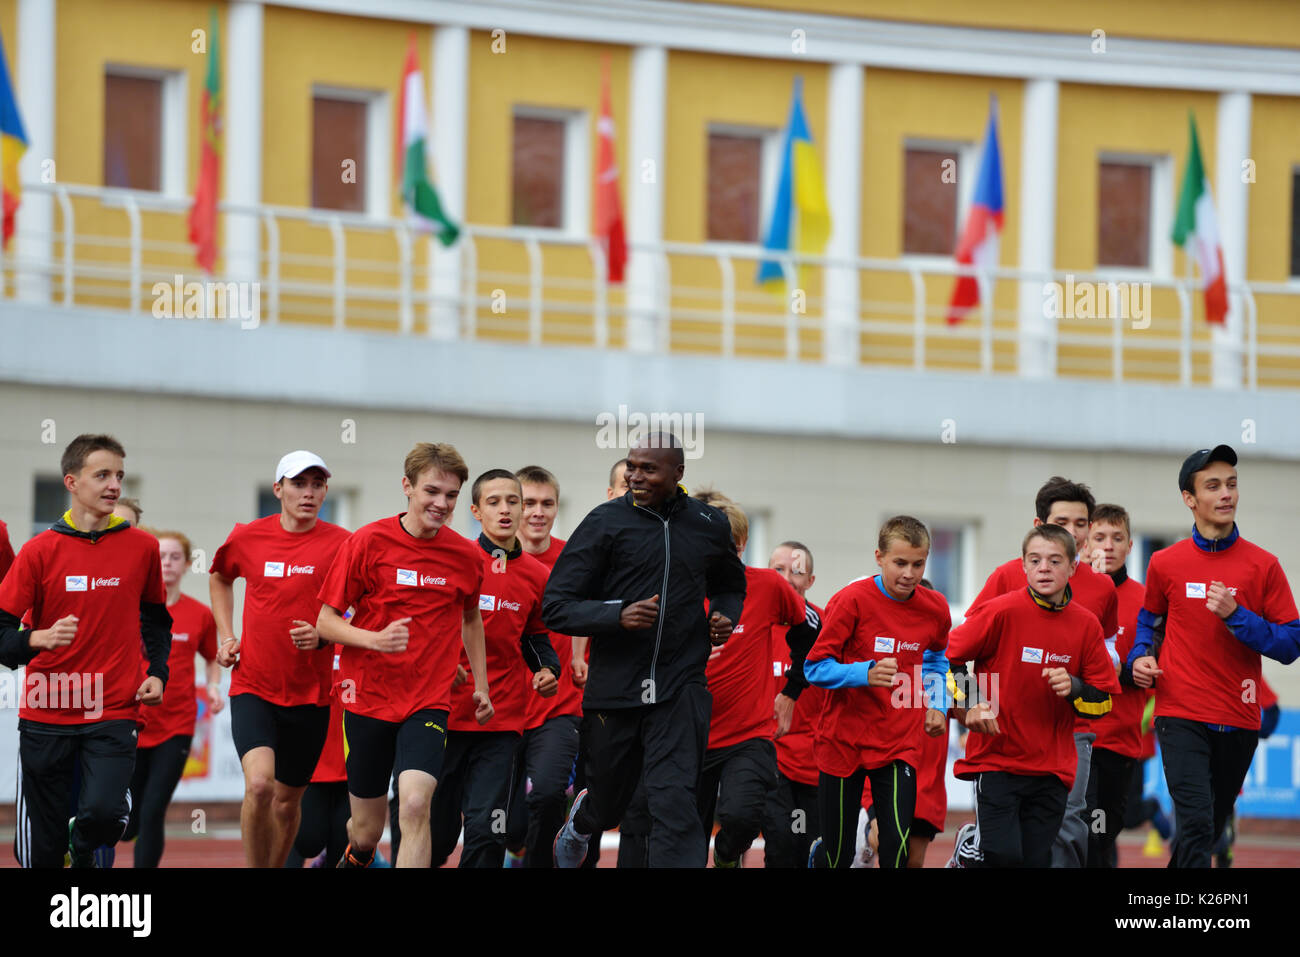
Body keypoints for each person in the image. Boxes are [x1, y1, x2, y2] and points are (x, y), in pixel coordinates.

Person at [547, 433, 746, 868]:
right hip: (617, 686)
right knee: (611, 803)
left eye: (647, 469)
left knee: (674, 801)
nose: (634, 476)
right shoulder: (604, 523)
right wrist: (615, 615)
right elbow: (556, 607)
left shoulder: (709, 524)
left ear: (678, 474)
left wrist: (725, 616)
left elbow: (731, 584)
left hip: (681, 685)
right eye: (631, 467)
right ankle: (584, 818)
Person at [316, 442, 493, 868]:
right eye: (432, 491)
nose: (442, 503)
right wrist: (373, 640)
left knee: (415, 805)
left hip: (427, 700)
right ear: (407, 487)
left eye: (451, 495)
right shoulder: (367, 542)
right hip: (369, 699)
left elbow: (471, 620)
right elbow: (325, 621)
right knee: (367, 831)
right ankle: (356, 856)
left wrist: (481, 685)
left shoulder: (467, 556)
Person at [0, 434, 172, 868]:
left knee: (102, 813)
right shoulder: (40, 551)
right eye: (102, 475)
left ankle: (82, 847)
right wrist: (34, 639)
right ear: (72, 482)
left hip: (113, 709)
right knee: (41, 850)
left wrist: (159, 671)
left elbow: (155, 620)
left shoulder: (142, 548)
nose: (114, 485)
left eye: (119, 475)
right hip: (46, 711)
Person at [1126, 445, 1300, 868]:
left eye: (1232, 484)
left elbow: (1290, 645)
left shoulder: (1264, 566)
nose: (1226, 494)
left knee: (1204, 833)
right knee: (1198, 825)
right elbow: (1147, 623)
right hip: (1179, 712)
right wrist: (1138, 657)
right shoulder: (1165, 563)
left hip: (1239, 717)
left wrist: (1238, 616)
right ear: (1190, 498)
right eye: (1214, 486)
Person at [964, 476, 1118, 868]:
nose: (1072, 531)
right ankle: (975, 845)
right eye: (1062, 522)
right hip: (999, 752)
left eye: (1081, 523)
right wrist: (970, 705)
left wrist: (1075, 687)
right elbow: (953, 650)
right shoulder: (1003, 591)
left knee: (1060, 837)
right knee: (1003, 855)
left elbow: (1104, 692)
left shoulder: (1095, 600)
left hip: (1061, 751)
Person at [210, 450, 351, 868]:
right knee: (258, 786)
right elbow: (219, 577)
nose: (308, 493)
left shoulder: (342, 544)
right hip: (253, 685)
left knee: (288, 804)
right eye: (298, 484)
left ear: (325, 490)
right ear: (278, 489)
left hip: (310, 695)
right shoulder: (248, 537)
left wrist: (324, 637)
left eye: (316, 485)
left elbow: (355, 607)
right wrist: (227, 635)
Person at [411, 469, 558, 868]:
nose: (506, 510)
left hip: (500, 720)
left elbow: (535, 635)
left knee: (487, 830)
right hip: (441, 714)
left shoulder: (536, 574)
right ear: (476, 510)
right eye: (493, 502)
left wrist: (548, 669)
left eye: (514, 501)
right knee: (435, 836)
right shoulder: (454, 560)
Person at [804, 517, 950, 869]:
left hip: (899, 741)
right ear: (880, 557)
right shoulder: (851, 601)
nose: (909, 573)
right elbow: (814, 667)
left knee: (896, 848)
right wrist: (863, 673)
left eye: (918, 564)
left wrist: (938, 703)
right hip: (844, 740)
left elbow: (936, 660)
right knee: (840, 856)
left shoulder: (935, 608)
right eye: (900, 563)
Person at [691, 490, 814, 868]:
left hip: (748, 736)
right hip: (687, 735)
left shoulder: (766, 586)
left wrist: (791, 691)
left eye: (723, 543)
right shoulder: (677, 588)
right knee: (683, 839)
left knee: (743, 818)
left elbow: (809, 633)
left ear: (740, 545)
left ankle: (727, 855)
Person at [123, 530, 221, 867]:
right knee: (127, 820)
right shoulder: (130, 608)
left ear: (187, 563)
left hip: (177, 725)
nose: (166, 563)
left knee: (153, 810)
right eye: (160, 556)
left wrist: (212, 687)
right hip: (129, 721)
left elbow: (211, 657)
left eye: (174, 557)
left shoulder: (200, 614)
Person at [503, 465, 584, 868]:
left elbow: (592, 615)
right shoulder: (484, 559)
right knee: (509, 825)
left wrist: (582, 659)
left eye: (546, 503)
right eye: (528, 502)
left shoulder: (574, 560)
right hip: (500, 709)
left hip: (558, 707)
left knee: (549, 794)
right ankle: (517, 849)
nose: (537, 512)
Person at [1081, 504, 1146, 867]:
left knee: (1105, 831)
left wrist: (1136, 669)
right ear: (1086, 545)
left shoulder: (1144, 601)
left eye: (1117, 538)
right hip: (1077, 736)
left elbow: (1150, 661)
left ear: (1130, 546)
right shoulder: (1069, 592)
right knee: (1084, 834)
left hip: (1120, 740)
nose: (1108, 546)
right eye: (1099, 538)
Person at [760, 541, 824, 868]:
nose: (786, 579)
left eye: (796, 572)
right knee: (781, 844)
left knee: (809, 851)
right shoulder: (756, 626)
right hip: (771, 759)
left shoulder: (827, 628)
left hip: (816, 763)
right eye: (778, 570)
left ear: (810, 581)